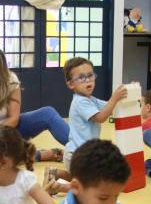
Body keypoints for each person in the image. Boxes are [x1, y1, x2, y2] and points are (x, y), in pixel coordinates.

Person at [0, 46, 68, 161]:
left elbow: (14, 119)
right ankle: (40, 155)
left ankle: (83, 151)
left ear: (0, 71)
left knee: (47, 114)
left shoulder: (10, 80)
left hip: (6, 131)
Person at [43, 57, 127, 195]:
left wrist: (125, 95)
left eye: (90, 75)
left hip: (81, 154)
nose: (88, 80)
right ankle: (58, 187)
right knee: (92, 187)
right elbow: (101, 117)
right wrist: (115, 97)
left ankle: (55, 173)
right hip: (79, 155)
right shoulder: (81, 102)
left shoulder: (90, 99)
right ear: (71, 84)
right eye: (81, 78)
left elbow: (108, 107)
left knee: (84, 178)